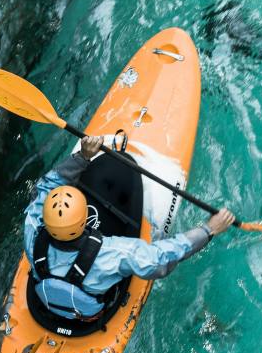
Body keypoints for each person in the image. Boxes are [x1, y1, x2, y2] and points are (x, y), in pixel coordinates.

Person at [24, 136, 235, 320]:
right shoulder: (112, 254)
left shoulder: (33, 228)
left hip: (47, 300)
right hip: (91, 312)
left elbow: (43, 188)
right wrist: (208, 230)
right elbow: (160, 261)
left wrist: (82, 157)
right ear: (85, 219)